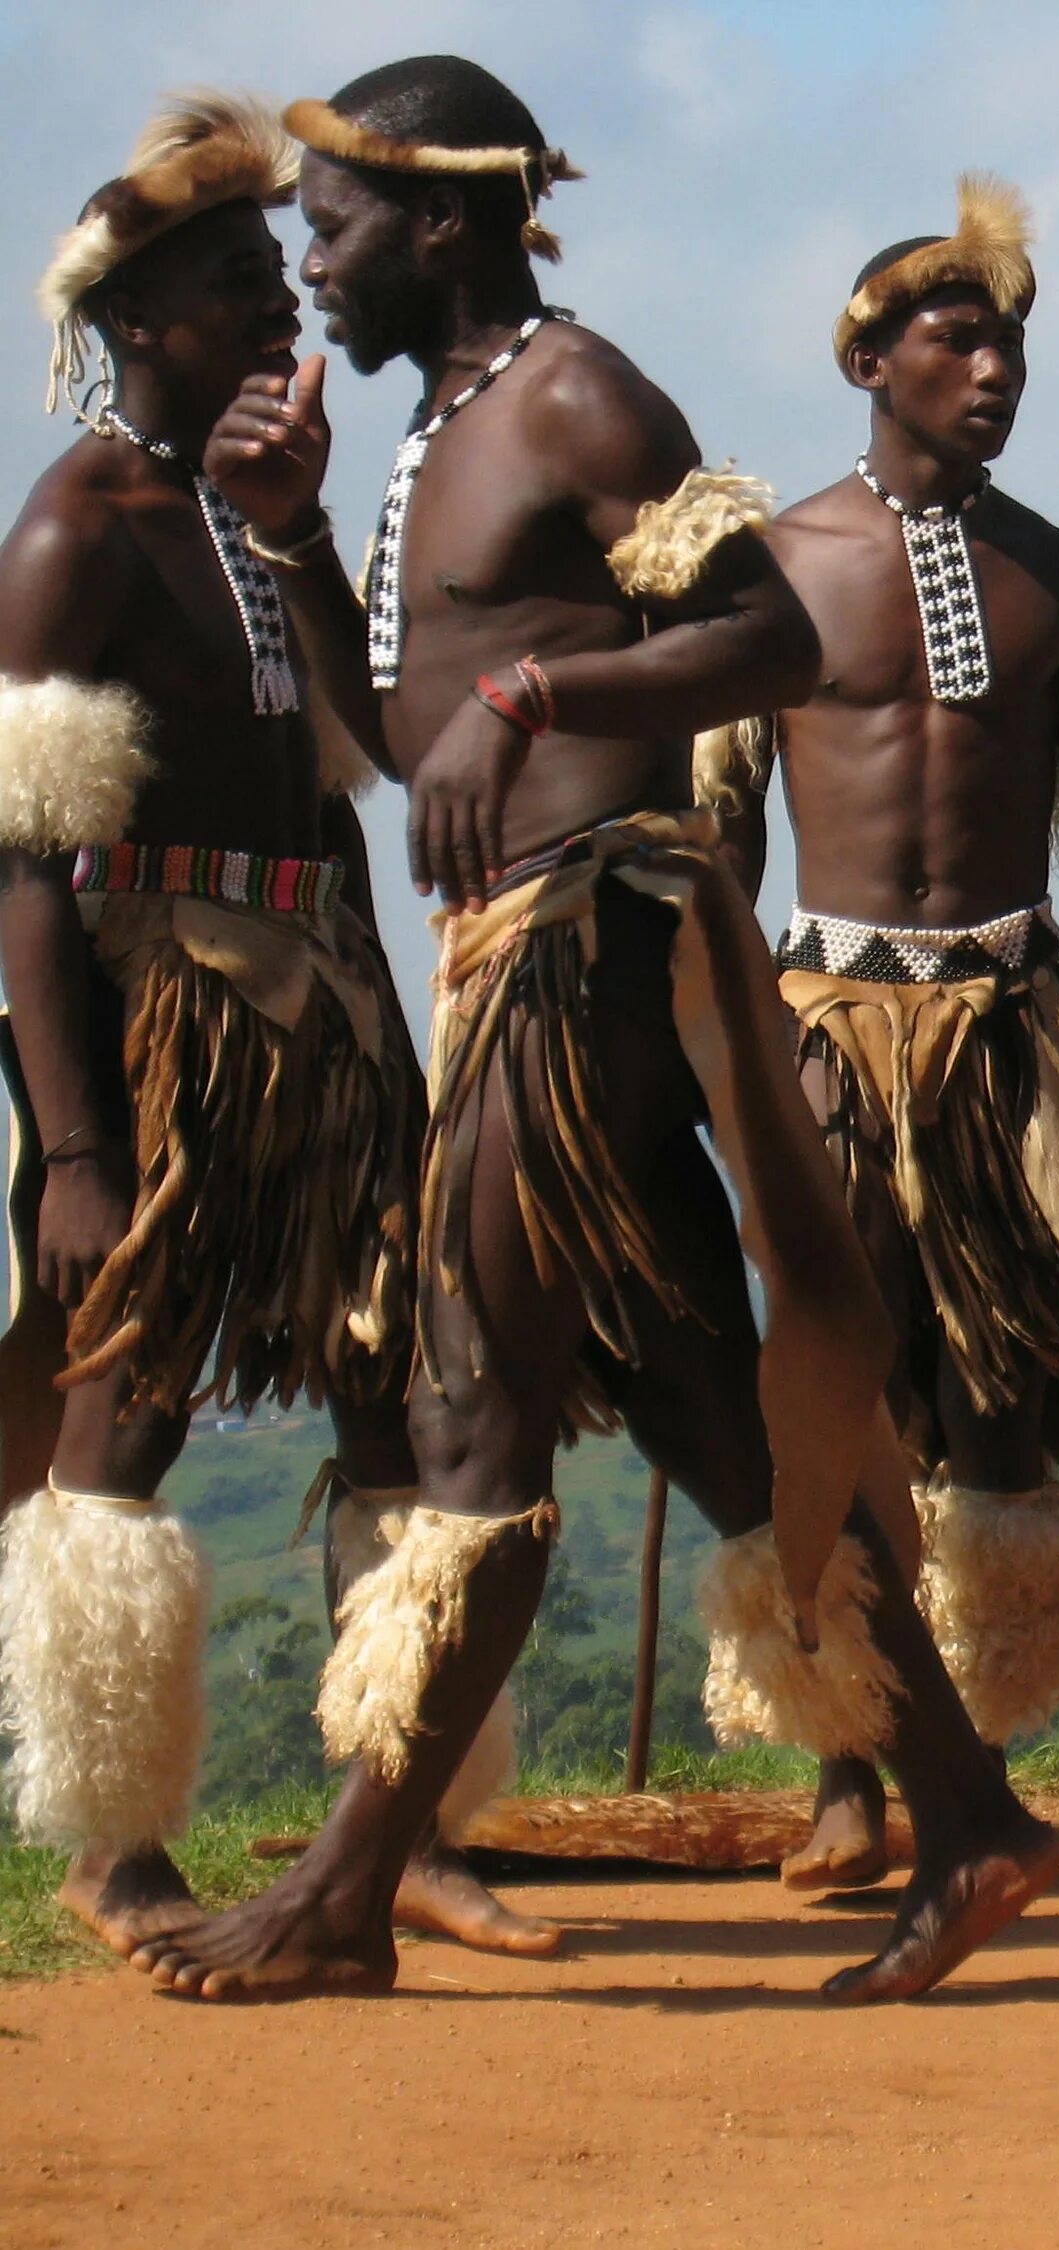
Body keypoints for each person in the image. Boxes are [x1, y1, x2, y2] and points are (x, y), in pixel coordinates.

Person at [130, 55, 1059, 2003]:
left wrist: (549, 691)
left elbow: (772, 635)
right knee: (704, 1413)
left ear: (443, 220)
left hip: (594, 950)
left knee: (477, 1418)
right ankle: (969, 1819)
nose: (312, 264)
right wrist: (300, 544)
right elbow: (413, 754)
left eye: (335, 222)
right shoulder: (429, 440)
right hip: (513, 959)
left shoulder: (571, 394)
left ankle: (338, 1894)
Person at [0, 91, 547, 1965]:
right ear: (140, 321)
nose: (277, 303)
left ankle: (407, 1831)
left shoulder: (253, 523)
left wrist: (389, 1036)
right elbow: (21, 868)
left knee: (395, 1388)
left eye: (275, 269)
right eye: (237, 282)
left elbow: (352, 792)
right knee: (128, 1404)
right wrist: (77, 1148)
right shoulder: (77, 525)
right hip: (161, 1022)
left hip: (331, 1011)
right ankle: (114, 1835)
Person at [712, 173, 1059, 1889]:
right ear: (869, 354)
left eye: (1010, 339)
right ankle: (847, 1773)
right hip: (826, 1025)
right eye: (956, 335)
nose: (994, 367)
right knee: (840, 1402)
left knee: (1009, 1399)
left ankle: (971, 1765)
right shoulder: (770, 564)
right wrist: (691, 1068)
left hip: (1011, 1023)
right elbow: (711, 852)